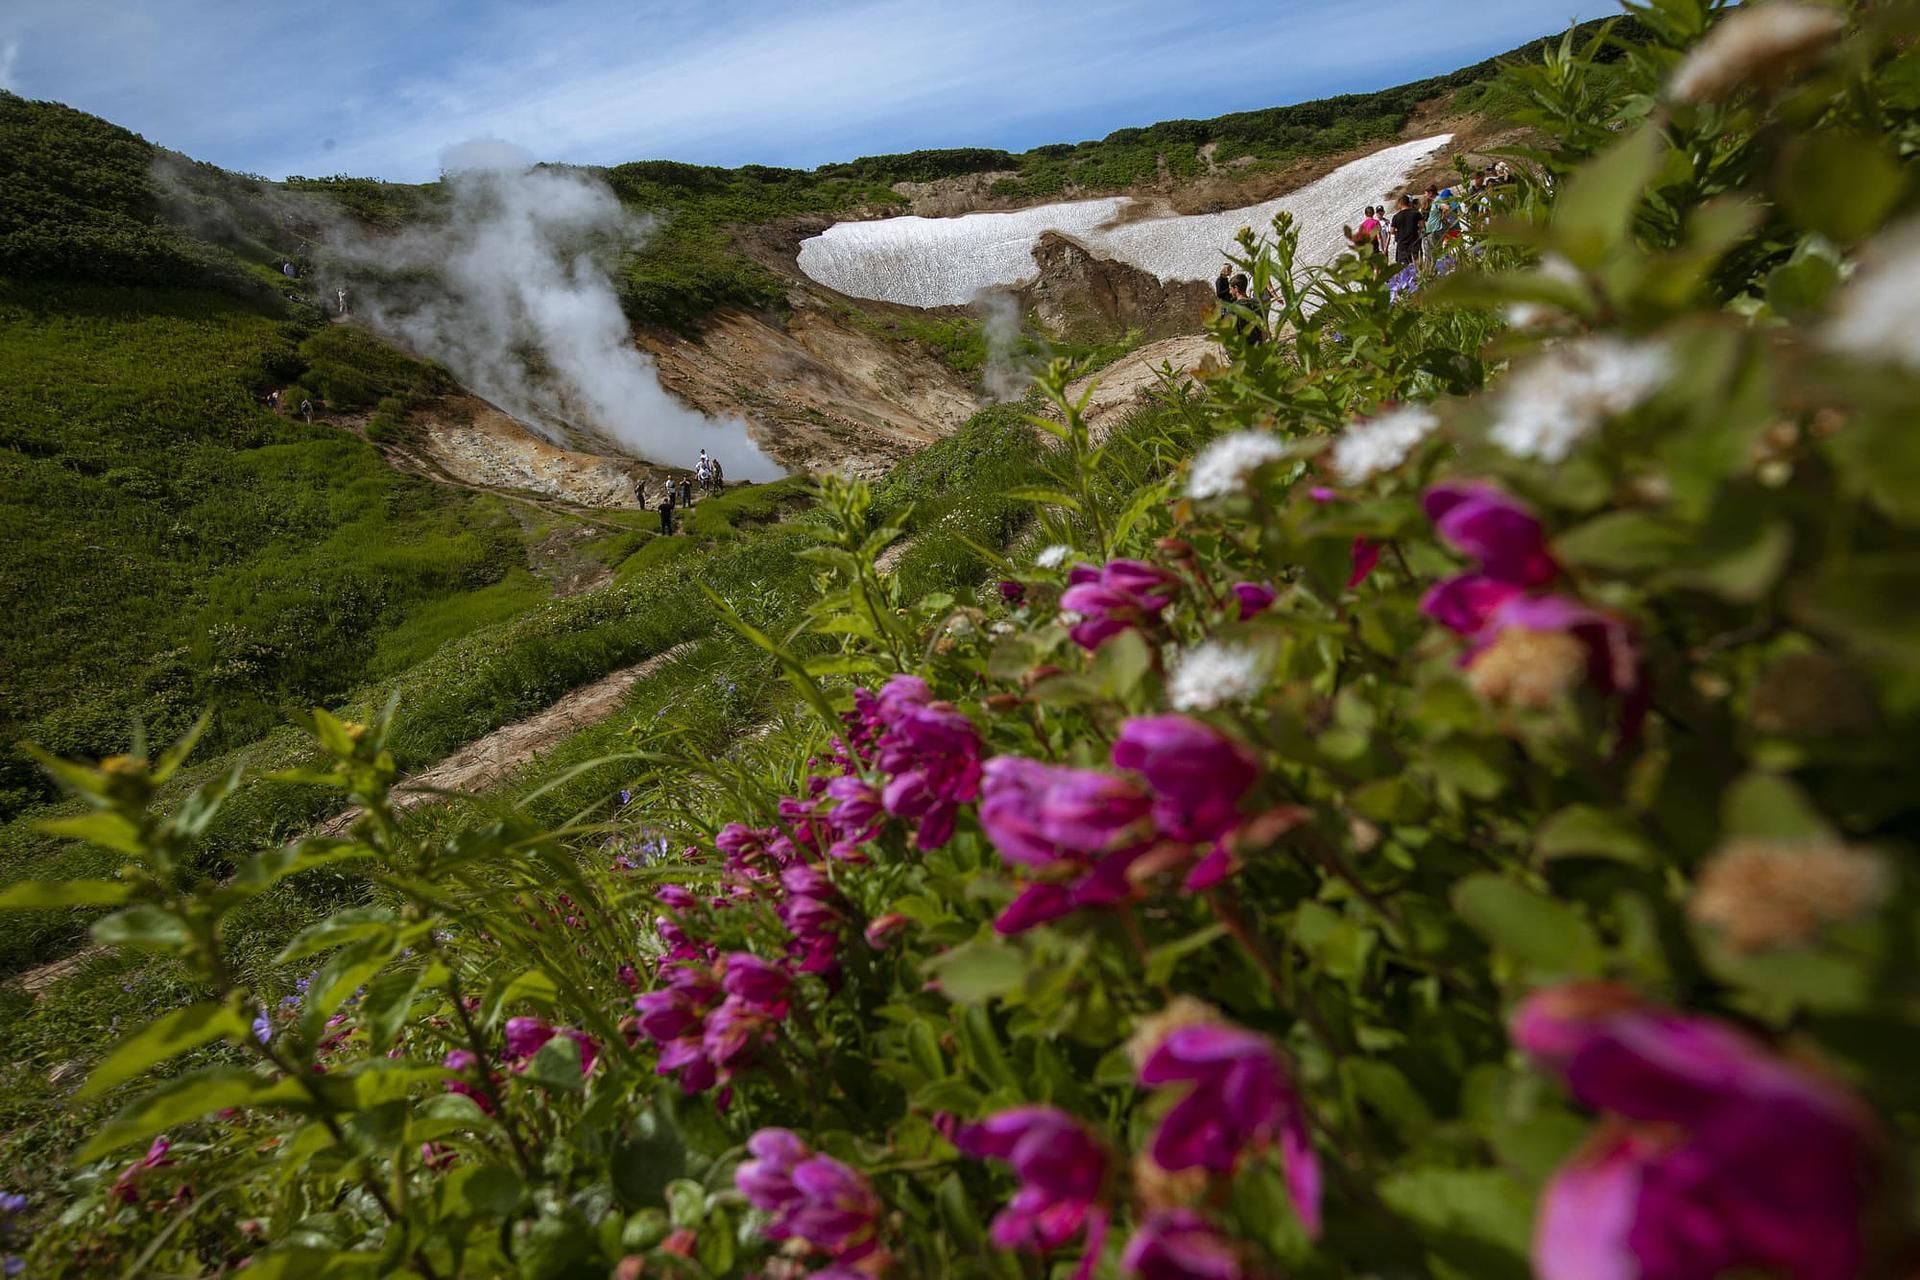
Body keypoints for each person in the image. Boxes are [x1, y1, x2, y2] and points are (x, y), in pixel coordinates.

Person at [1390, 195, 1423, 266]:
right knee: (1417, 265)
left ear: (1400, 204)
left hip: (1402, 245)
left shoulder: (1396, 217)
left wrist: (1398, 232)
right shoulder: (1416, 213)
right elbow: (1422, 226)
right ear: (1408, 203)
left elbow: (1392, 231)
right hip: (1414, 242)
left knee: (1403, 267)